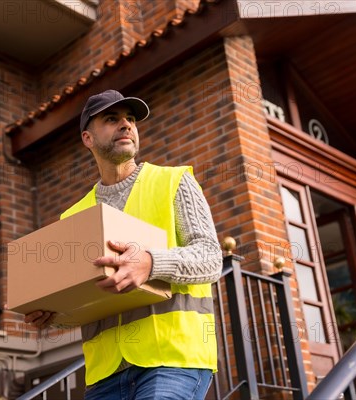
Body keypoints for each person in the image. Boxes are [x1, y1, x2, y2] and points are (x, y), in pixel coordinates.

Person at [25, 89, 222, 400]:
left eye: (130, 119)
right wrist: (54, 314)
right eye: (112, 119)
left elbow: (211, 257)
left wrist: (151, 263)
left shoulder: (173, 182)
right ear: (88, 139)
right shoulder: (74, 216)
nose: (127, 125)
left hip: (172, 359)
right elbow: (85, 296)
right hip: (105, 373)